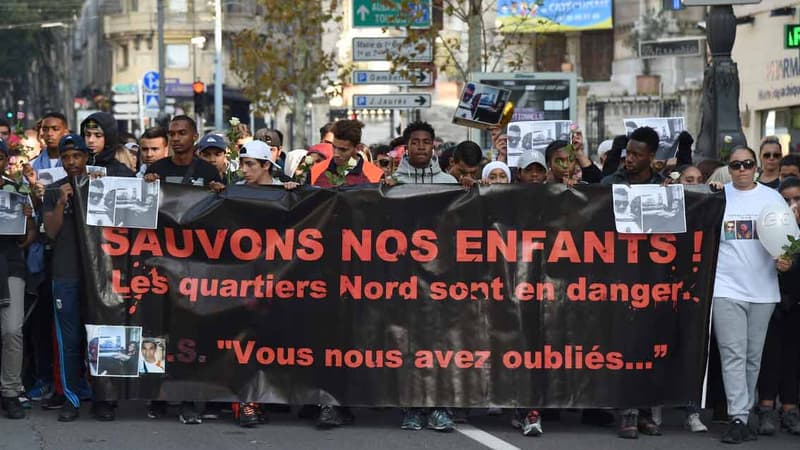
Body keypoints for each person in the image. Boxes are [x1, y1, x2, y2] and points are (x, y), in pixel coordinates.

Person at [711, 146, 792, 444]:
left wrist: (787, 259)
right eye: (735, 165)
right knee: (733, 353)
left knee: (752, 357)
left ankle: (742, 413)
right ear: (728, 169)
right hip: (726, 287)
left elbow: (789, 239)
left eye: (747, 164)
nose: (742, 169)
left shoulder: (772, 198)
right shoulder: (718, 195)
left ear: (756, 167)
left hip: (763, 290)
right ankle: (738, 417)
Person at [41, 134, 92, 422]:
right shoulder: (52, 190)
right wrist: (61, 200)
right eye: (67, 157)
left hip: (98, 276)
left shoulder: (100, 185)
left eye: (77, 156)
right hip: (65, 274)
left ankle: (101, 397)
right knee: (69, 340)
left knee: (98, 337)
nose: (72, 162)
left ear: (86, 157)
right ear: (61, 160)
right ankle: (71, 398)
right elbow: (50, 231)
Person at [755, 176, 800, 436]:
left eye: (797, 199)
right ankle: (766, 407)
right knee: (770, 354)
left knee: (793, 356)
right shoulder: (771, 223)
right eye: (786, 200)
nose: (792, 205)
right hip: (771, 298)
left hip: (796, 302)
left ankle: (790, 408)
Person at [0, 137, 35, 420]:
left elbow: (26, 239)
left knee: (12, 329)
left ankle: (10, 391)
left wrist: (25, 218)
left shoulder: (16, 189)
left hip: (10, 264)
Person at [144, 116, 222, 188]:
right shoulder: (156, 169)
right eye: (172, 134)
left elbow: (217, 201)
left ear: (195, 137)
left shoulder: (209, 171)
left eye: (182, 133)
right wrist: (149, 183)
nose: (175, 138)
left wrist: (217, 189)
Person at [309, 120, 383, 187]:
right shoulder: (315, 171)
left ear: (358, 148)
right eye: (334, 147)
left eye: (343, 150)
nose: (336, 154)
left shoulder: (375, 175)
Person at [390, 122, 457, 185]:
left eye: (426, 142)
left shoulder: (449, 182)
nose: (421, 147)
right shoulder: (392, 182)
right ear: (406, 148)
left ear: (432, 147)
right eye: (415, 143)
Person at [80, 112, 135, 177]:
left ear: (109, 138)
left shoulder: (122, 173)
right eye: (87, 135)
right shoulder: (75, 169)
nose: (91, 140)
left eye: (98, 135)